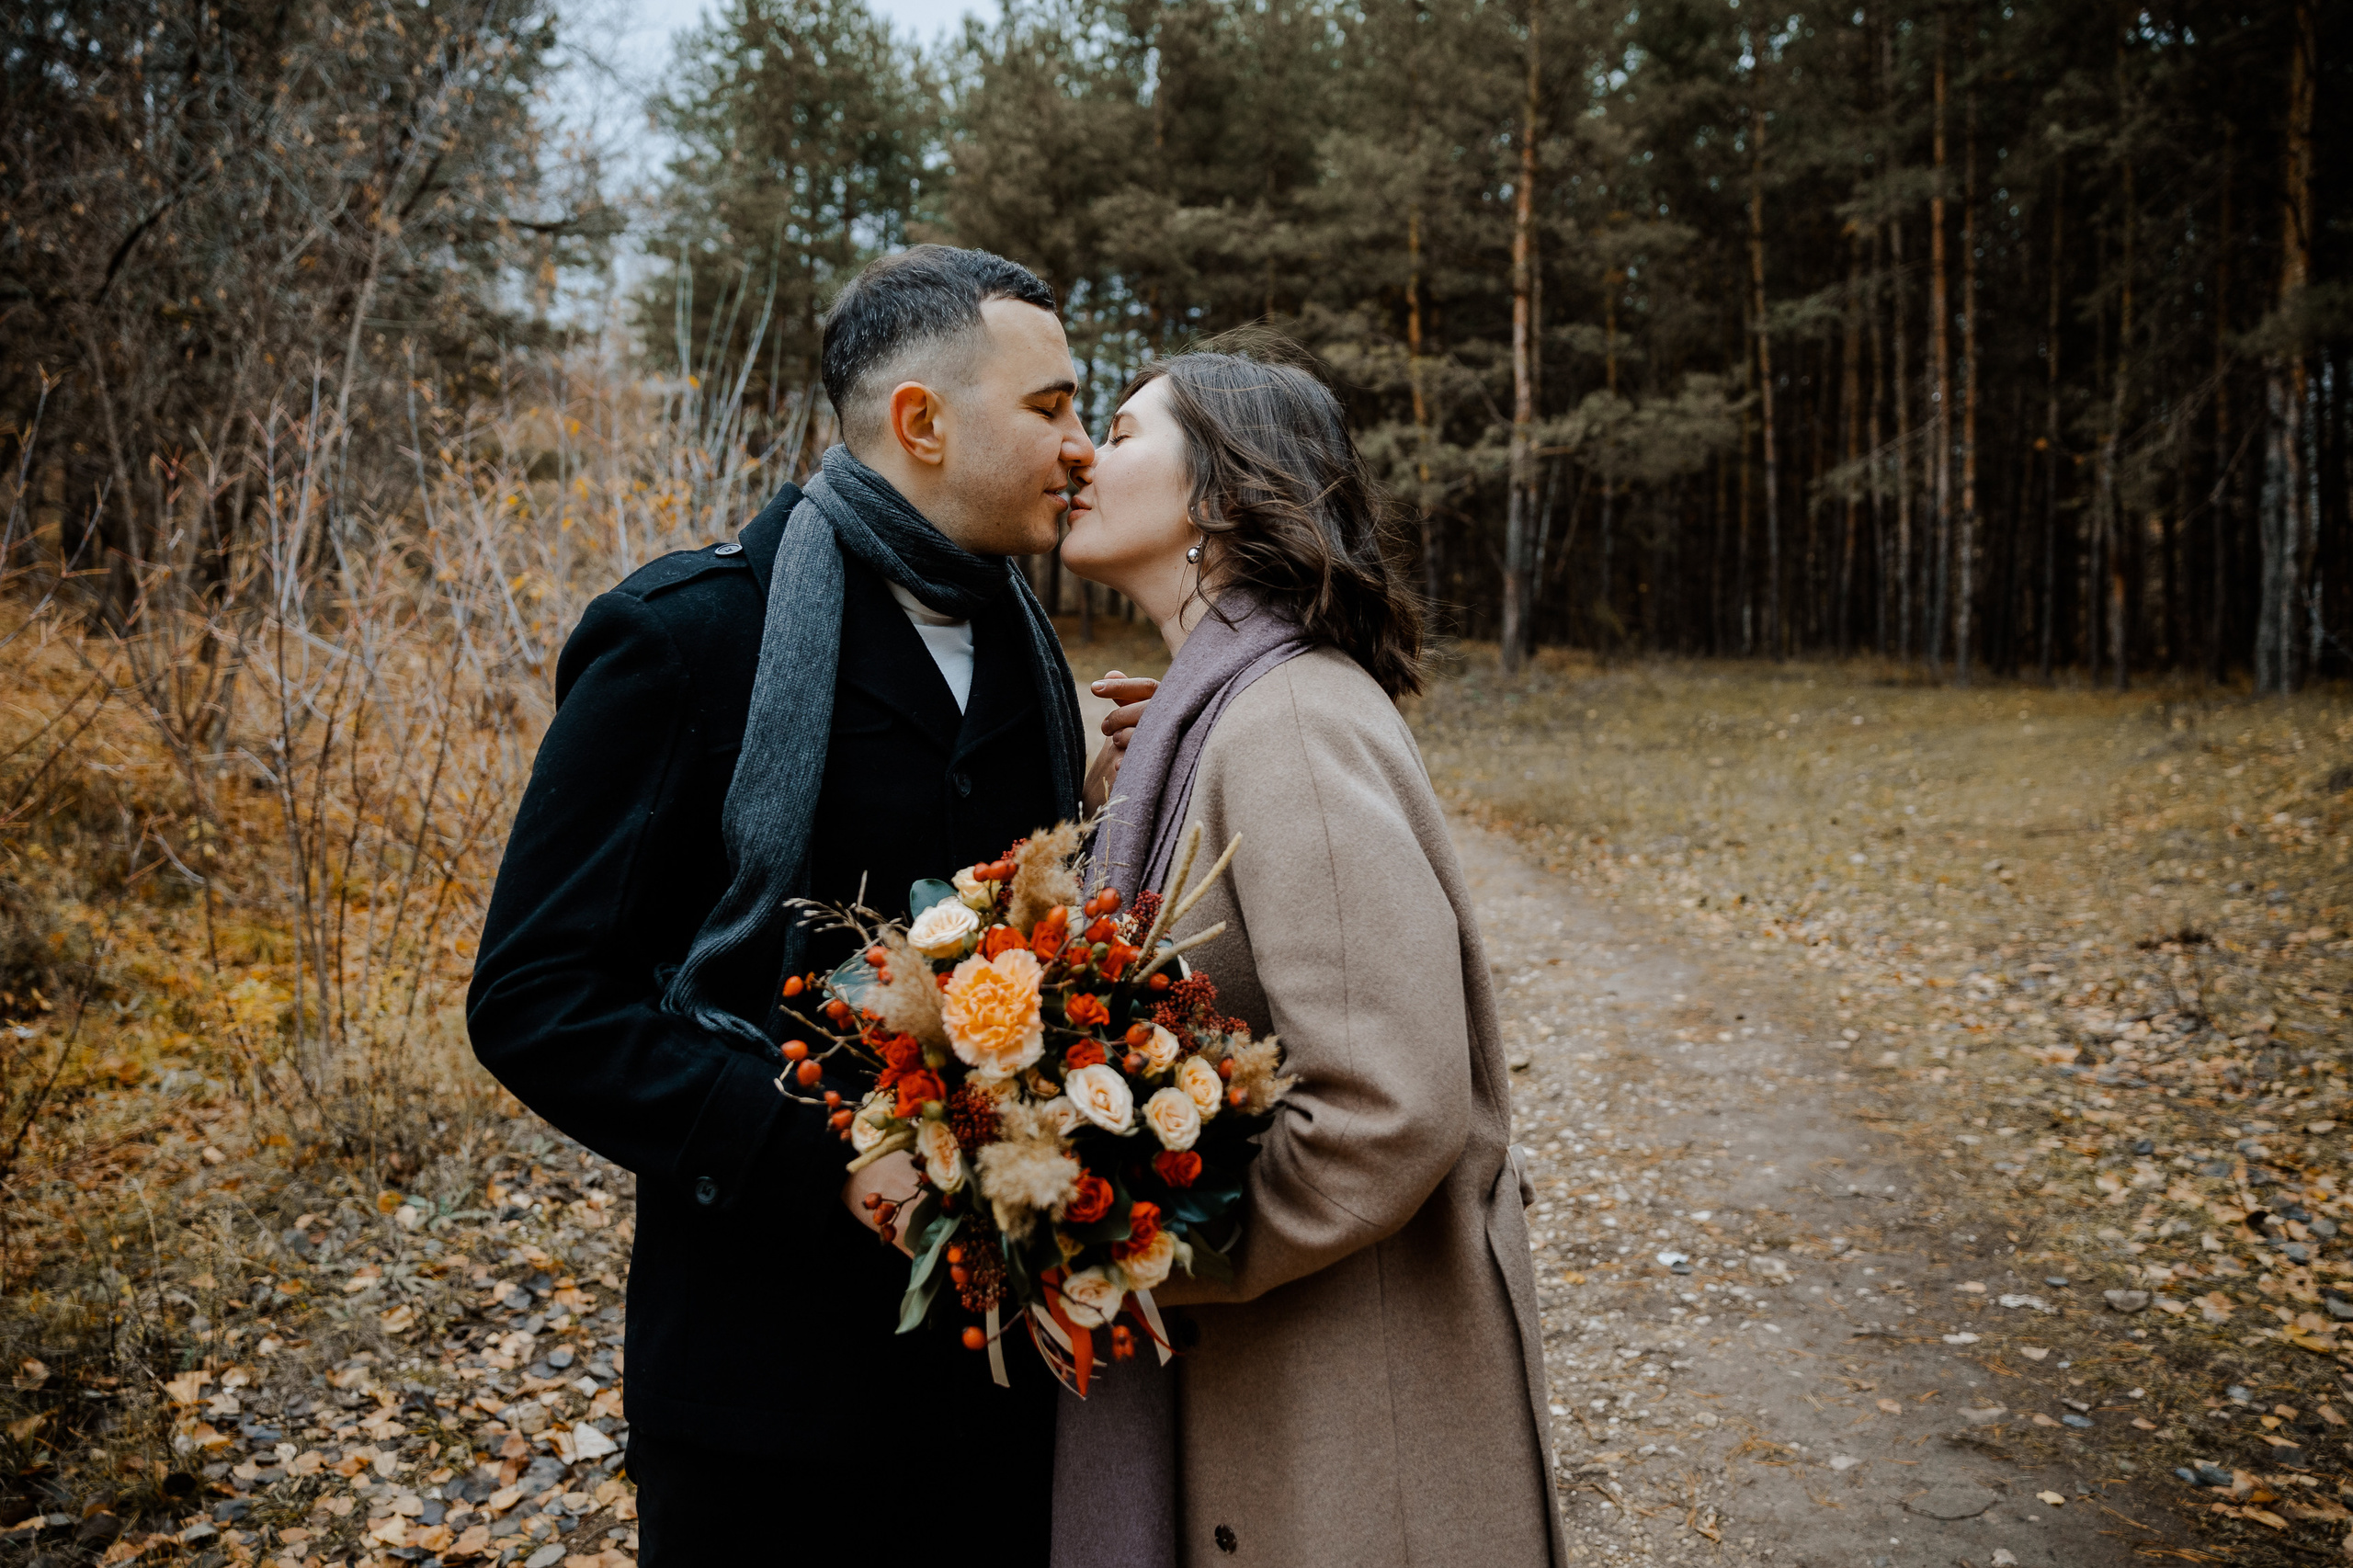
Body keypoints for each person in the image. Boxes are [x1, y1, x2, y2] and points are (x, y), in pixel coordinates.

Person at [467, 244, 1152, 1564]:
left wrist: (1093, 804)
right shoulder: (685, 639)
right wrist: (822, 1153)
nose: (1080, 444)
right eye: (1053, 406)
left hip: (998, 1393)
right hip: (761, 1398)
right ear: (922, 422)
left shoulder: (1030, 656)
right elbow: (535, 999)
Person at [1055, 343, 1569, 1567]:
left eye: (1123, 431)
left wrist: (1129, 1249)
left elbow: (1387, 1104)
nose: (1082, 452)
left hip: (1342, 1406)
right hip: (1283, 1381)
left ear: (1221, 496)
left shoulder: (1284, 721)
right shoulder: (1213, 717)